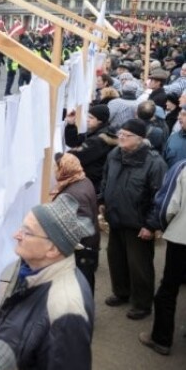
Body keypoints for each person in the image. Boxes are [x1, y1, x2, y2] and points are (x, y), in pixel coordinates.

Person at [0, 194, 95, 369]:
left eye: (27, 232)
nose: (16, 235)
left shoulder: (65, 309)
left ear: (52, 249)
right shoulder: (35, 272)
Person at [99, 118, 167, 320]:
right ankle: (121, 292)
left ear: (140, 139)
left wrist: (151, 225)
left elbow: (160, 198)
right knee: (116, 258)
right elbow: (105, 178)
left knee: (139, 266)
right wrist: (103, 198)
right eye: (120, 133)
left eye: (126, 135)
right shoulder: (114, 154)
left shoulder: (154, 163)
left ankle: (142, 304)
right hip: (116, 218)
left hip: (139, 224)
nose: (120, 137)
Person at [139, 161, 186, 355]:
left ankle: (161, 339)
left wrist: (158, 226)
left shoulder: (183, 168)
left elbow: (168, 206)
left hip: (182, 241)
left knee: (168, 288)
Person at [50, 153, 100, 294]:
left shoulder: (73, 193)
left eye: (56, 167)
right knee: (85, 280)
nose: (54, 170)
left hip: (80, 250)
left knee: (78, 285)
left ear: (65, 169)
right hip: (89, 245)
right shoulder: (82, 179)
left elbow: (79, 227)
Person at [64, 105, 117, 193]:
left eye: (91, 118)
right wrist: (71, 125)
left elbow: (77, 156)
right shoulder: (97, 132)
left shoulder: (99, 139)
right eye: (88, 116)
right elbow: (74, 142)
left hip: (92, 182)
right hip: (91, 181)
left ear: (100, 120)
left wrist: (60, 156)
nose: (87, 120)